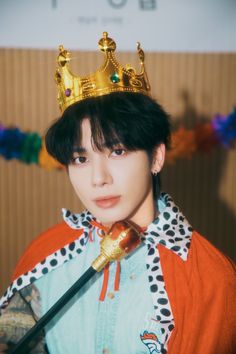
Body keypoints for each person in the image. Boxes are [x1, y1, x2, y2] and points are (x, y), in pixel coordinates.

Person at [0, 32, 235, 354]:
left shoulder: (209, 277)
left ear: (156, 157)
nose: (98, 178)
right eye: (81, 159)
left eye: (118, 151)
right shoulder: (45, 255)